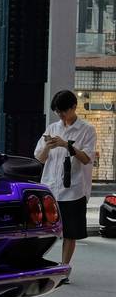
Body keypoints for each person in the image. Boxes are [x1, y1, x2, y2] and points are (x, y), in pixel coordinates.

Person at [34, 90, 97, 271]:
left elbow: (86, 158)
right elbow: (39, 158)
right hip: (49, 188)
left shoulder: (87, 130)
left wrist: (66, 145)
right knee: (42, 230)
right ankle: (38, 264)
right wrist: (47, 147)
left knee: (70, 233)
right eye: (57, 112)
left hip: (73, 190)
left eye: (63, 111)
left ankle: (64, 268)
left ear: (74, 107)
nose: (60, 115)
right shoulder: (52, 128)